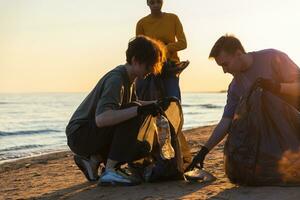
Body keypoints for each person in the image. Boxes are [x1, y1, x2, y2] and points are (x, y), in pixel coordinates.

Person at [187, 34, 300, 171]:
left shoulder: (272, 57)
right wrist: (204, 151)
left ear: (238, 54)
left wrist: (275, 87)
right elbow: (227, 121)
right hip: (271, 136)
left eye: (225, 64)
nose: (224, 71)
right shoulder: (235, 87)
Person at [65, 36, 167, 186]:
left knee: (142, 145)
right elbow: (102, 118)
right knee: (134, 112)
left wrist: (156, 104)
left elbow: (134, 103)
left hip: (90, 133)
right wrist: (139, 110)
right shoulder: (116, 79)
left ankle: (93, 160)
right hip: (80, 134)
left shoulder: (130, 79)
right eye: (148, 66)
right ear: (135, 60)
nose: (151, 70)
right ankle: (110, 170)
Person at [135, 0, 188, 101]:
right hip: (149, 67)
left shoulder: (173, 18)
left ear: (162, 2)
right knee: (139, 96)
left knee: (173, 99)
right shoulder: (141, 23)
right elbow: (138, 48)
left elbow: (183, 43)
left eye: (158, 2)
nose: (156, 5)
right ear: (148, 3)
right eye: (152, 2)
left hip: (170, 66)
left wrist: (164, 48)